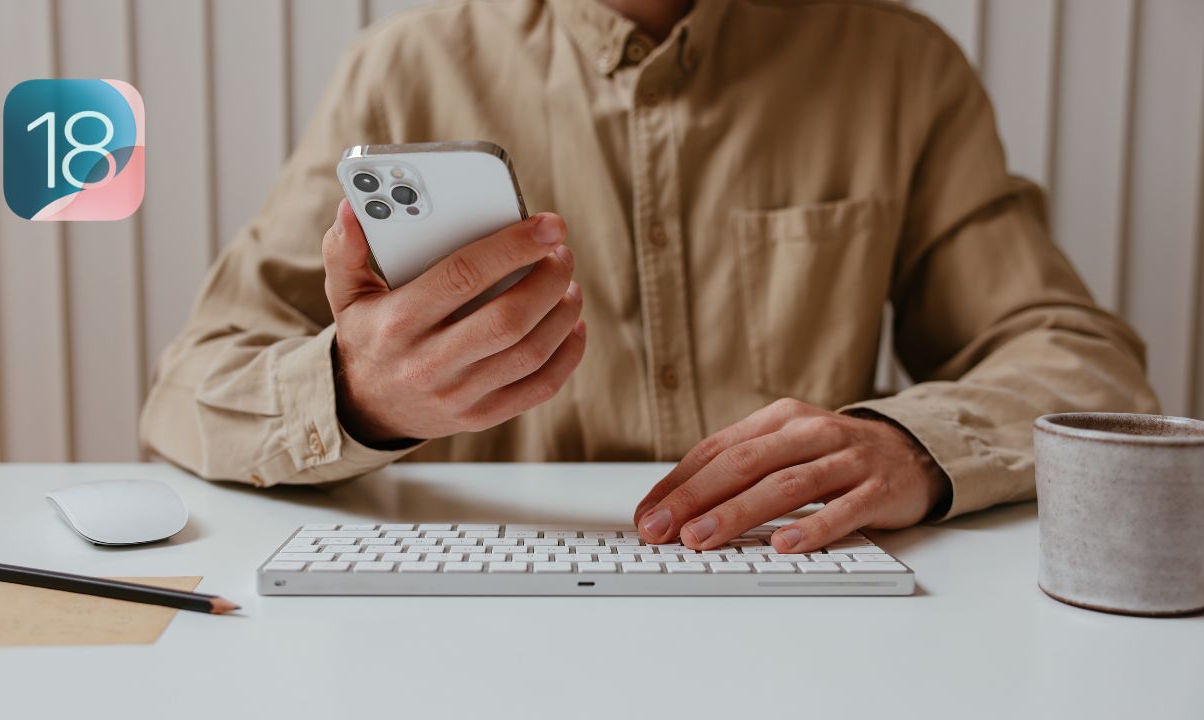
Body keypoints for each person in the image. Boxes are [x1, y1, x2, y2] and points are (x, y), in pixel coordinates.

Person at [140, 0, 1158, 553]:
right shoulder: (398, 71)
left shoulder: (902, 66)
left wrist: (912, 444)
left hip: (801, 605)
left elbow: (1081, 367)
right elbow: (190, 391)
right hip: (482, 621)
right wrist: (355, 394)